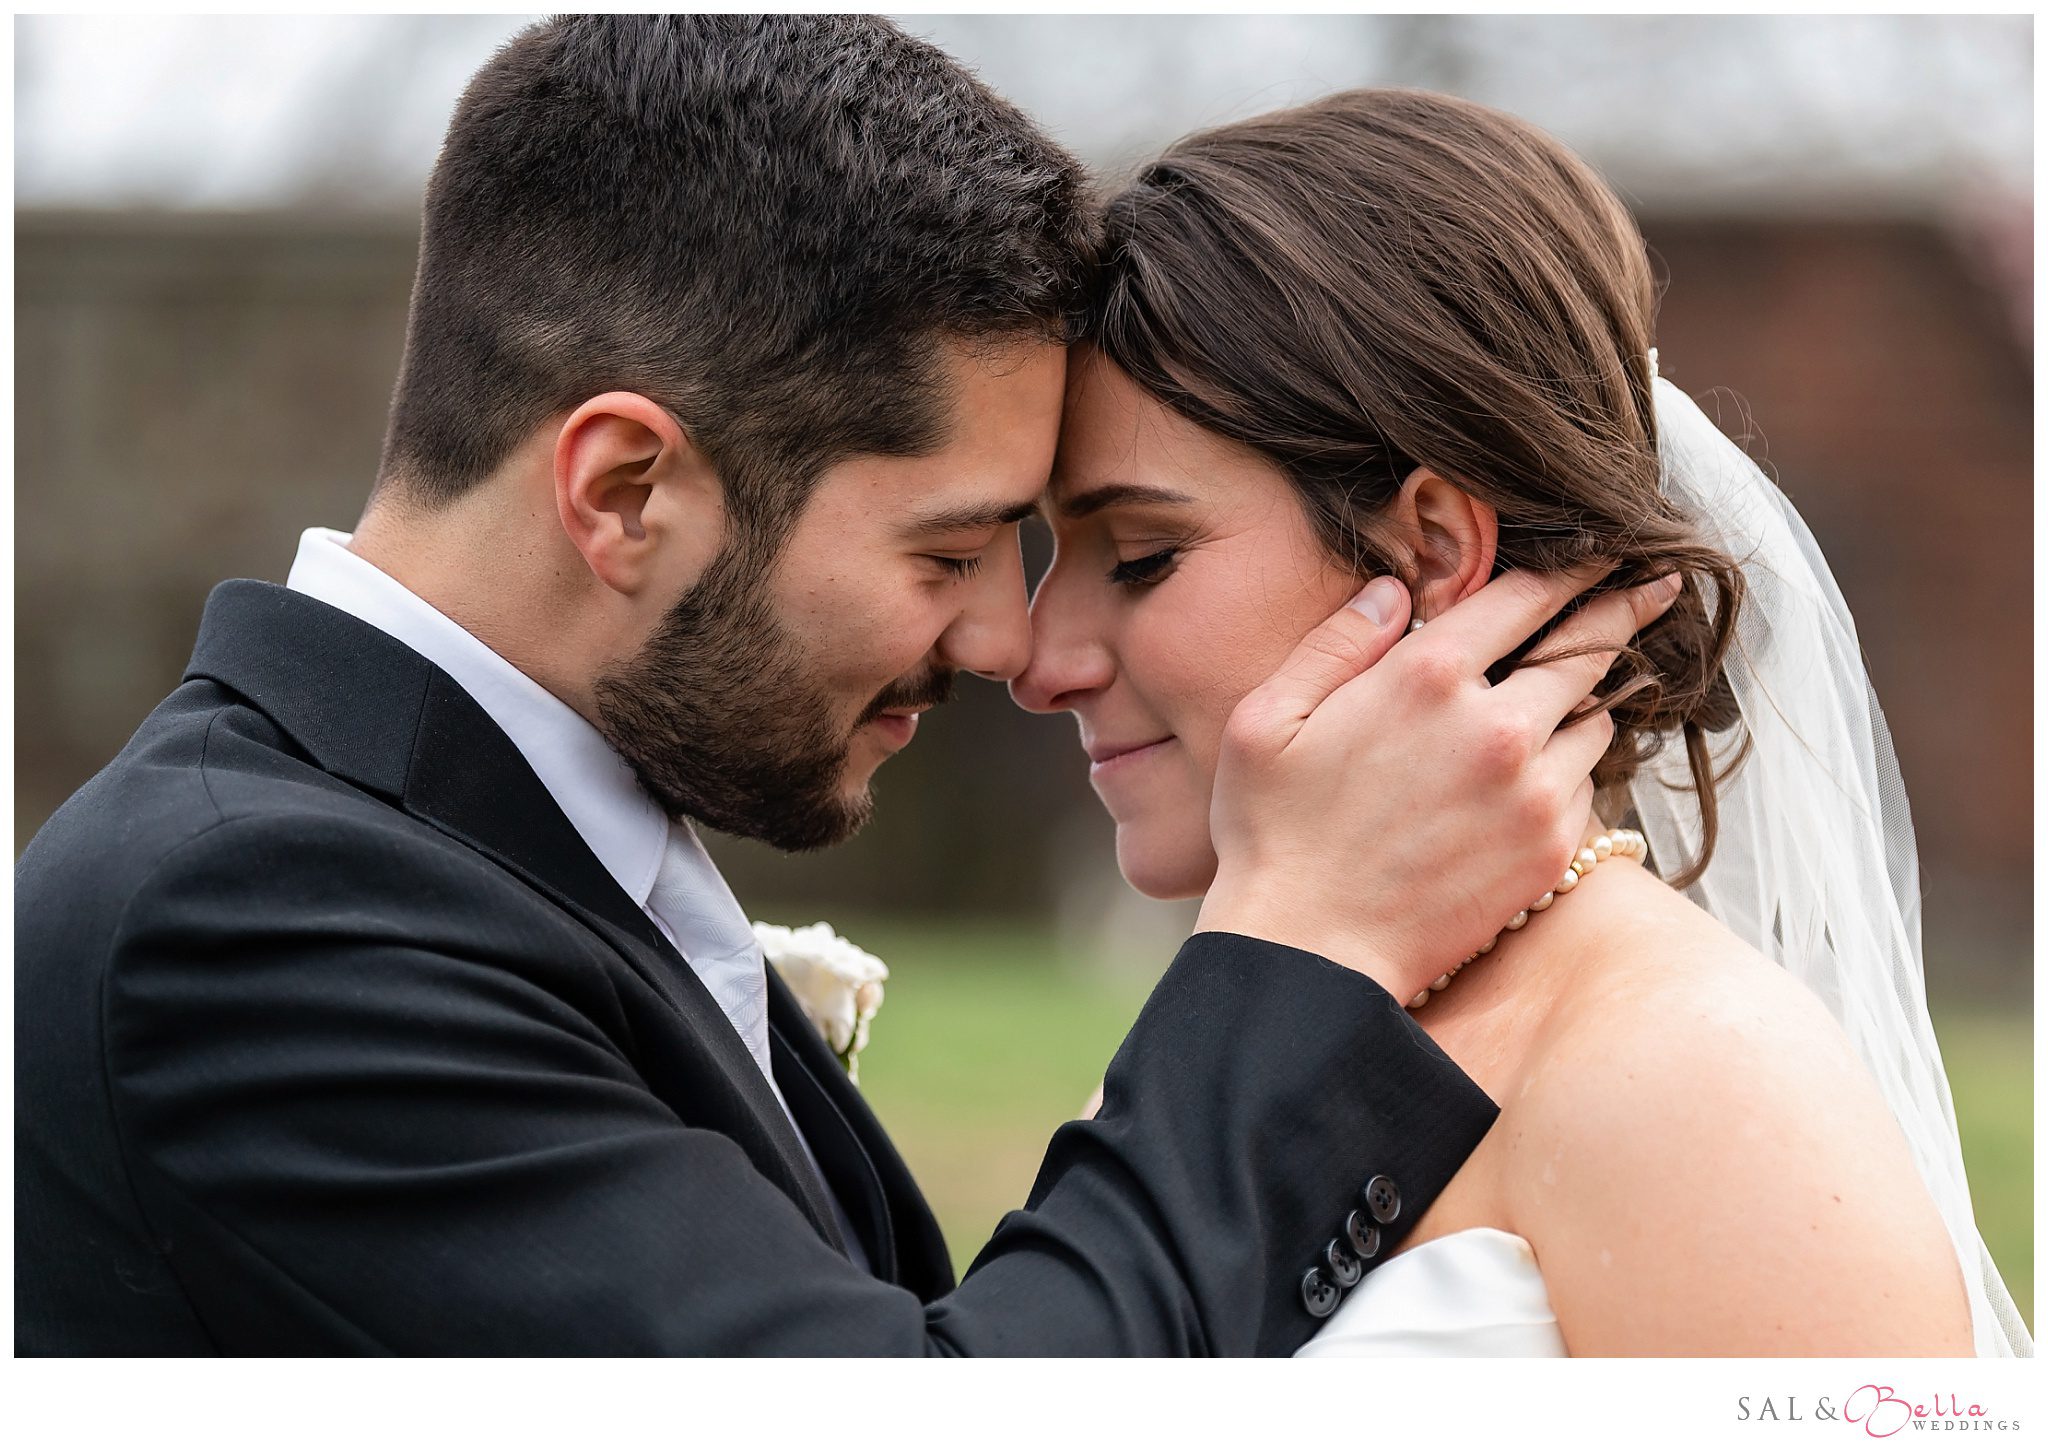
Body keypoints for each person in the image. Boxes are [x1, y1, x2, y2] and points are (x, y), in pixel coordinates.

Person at [13, 19, 1674, 1356]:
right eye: (948, 551)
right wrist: (1306, 945)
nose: (1006, 644)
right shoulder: (243, 925)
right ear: (620, 494)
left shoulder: (499, 844)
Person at [1017, 87, 2031, 1356]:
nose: (1033, 655)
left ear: (1431, 549)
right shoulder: (1239, 1022)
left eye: (1142, 554)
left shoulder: (1693, 1081)